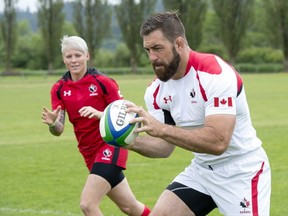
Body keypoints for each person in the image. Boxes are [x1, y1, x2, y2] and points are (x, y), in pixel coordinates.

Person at [126, 11, 271, 216]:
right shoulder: (156, 91)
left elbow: (218, 142)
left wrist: (160, 129)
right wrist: (128, 141)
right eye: (148, 50)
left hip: (242, 172)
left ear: (179, 43)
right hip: (202, 171)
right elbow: (163, 147)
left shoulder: (214, 74)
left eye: (158, 48)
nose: (152, 58)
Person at [41, 35, 150, 216]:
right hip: (88, 152)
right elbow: (58, 130)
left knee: (87, 204)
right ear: (63, 59)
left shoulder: (103, 82)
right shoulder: (59, 88)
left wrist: (101, 115)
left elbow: (127, 114)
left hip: (111, 145)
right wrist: (53, 124)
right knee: (130, 207)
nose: (74, 60)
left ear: (87, 56)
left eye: (78, 55)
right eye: (69, 56)